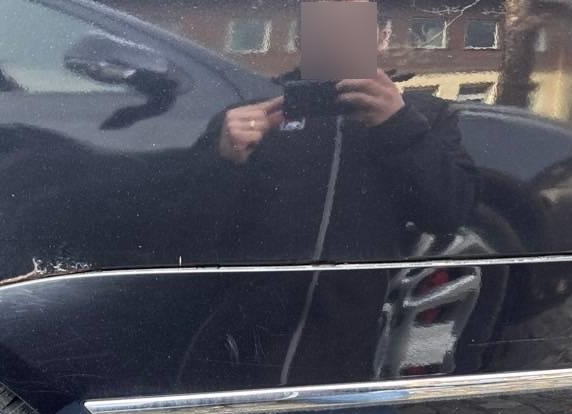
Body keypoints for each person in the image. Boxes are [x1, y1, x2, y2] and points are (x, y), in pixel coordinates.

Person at [193, 1, 478, 266]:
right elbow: (191, 227)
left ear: (381, 39)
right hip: (248, 301)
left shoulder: (422, 115)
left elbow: (449, 216)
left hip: (360, 303)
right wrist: (223, 160)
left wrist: (397, 124)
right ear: (300, 41)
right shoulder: (249, 114)